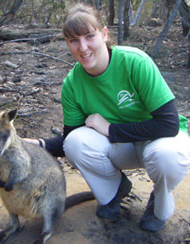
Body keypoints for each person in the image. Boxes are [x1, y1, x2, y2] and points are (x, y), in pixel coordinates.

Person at [25, 3, 190, 232]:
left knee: (167, 157)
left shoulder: (135, 62)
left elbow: (169, 124)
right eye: (74, 40)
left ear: (104, 34)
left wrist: (110, 129)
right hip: (121, 147)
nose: (83, 48)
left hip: (160, 140)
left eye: (89, 36)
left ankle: (159, 204)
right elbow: (70, 139)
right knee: (77, 143)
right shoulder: (72, 84)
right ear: (67, 43)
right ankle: (114, 191)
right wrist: (40, 145)